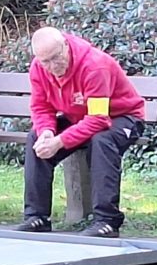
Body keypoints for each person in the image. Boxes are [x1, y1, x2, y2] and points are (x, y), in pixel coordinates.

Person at [15, 26, 145, 238]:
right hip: (78, 117)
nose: (51, 66)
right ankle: (36, 216)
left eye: (56, 58)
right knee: (36, 138)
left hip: (123, 117)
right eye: (45, 61)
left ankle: (107, 221)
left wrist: (60, 142)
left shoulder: (94, 66)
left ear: (65, 46)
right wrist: (47, 132)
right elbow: (41, 107)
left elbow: (98, 119)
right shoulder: (39, 68)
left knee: (102, 140)